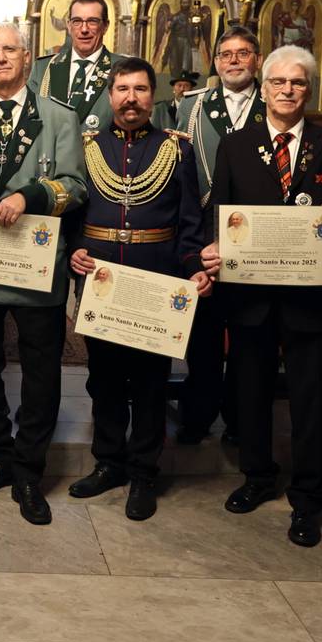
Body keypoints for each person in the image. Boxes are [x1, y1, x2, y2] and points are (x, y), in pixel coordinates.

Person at [201, 45, 322, 547]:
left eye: (297, 83)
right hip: (249, 297)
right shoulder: (235, 145)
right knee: (248, 393)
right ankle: (256, 476)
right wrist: (213, 249)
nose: (287, 91)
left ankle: (309, 498)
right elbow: (222, 216)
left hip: (309, 300)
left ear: (308, 90)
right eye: (279, 82)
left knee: (310, 400)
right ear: (264, 86)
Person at [0, 22, 86, 525]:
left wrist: (28, 196)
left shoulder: (57, 117)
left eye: (10, 50)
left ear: (28, 58)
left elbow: (76, 184)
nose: (1, 58)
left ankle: (29, 470)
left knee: (41, 373)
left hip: (36, 263)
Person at [69, 57, 210, 520]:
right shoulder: (86, 148)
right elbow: (71, 211)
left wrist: (192, 268)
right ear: (110, 96)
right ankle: (108, 462)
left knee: (150, 382)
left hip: (155, 279)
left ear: (154, 96)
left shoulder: (178, 149)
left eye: (141, 89)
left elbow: (190, 223)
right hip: (101, 279)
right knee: (103, 378)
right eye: (123, 89)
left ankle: (144, 472)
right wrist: (73, 251)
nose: (131, 98)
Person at [175, 26, 267, 445]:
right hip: (204, 235)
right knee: (203, 338)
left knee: (251, 340)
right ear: (215, 62)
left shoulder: (275, 103)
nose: (233, 60)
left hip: (259, 241)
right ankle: (197, 416)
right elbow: (181, 178)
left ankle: (240, 421)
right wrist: (193, 248)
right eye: (226, 54)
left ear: (257, 60)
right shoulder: (192, 107)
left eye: (243, 53)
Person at [29, 0, 121, 131]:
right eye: (77, 21)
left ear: (105, 26)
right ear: (68, 25)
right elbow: (28, 119)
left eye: (92, 21)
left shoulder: (122, 69)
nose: (84, 29)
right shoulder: (43, 68)